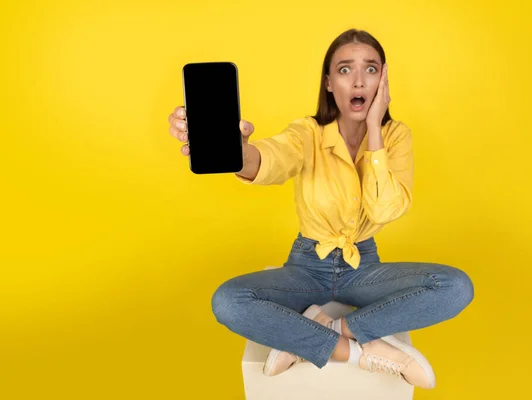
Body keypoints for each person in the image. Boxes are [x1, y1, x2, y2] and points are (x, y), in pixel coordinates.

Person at [167, 28, 474, 389]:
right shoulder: (307, 133)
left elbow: (384, 210)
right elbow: (271, 158)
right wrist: (238, 149)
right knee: (228, 301)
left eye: (371, 69)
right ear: (329, 83)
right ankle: (360, 351)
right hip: (306, 267)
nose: (358, 80)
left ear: (384, 80)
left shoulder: (396, 137)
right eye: (345, 70)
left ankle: (322, 331)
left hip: (364, 268)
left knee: (455, 287)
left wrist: (374, 128)